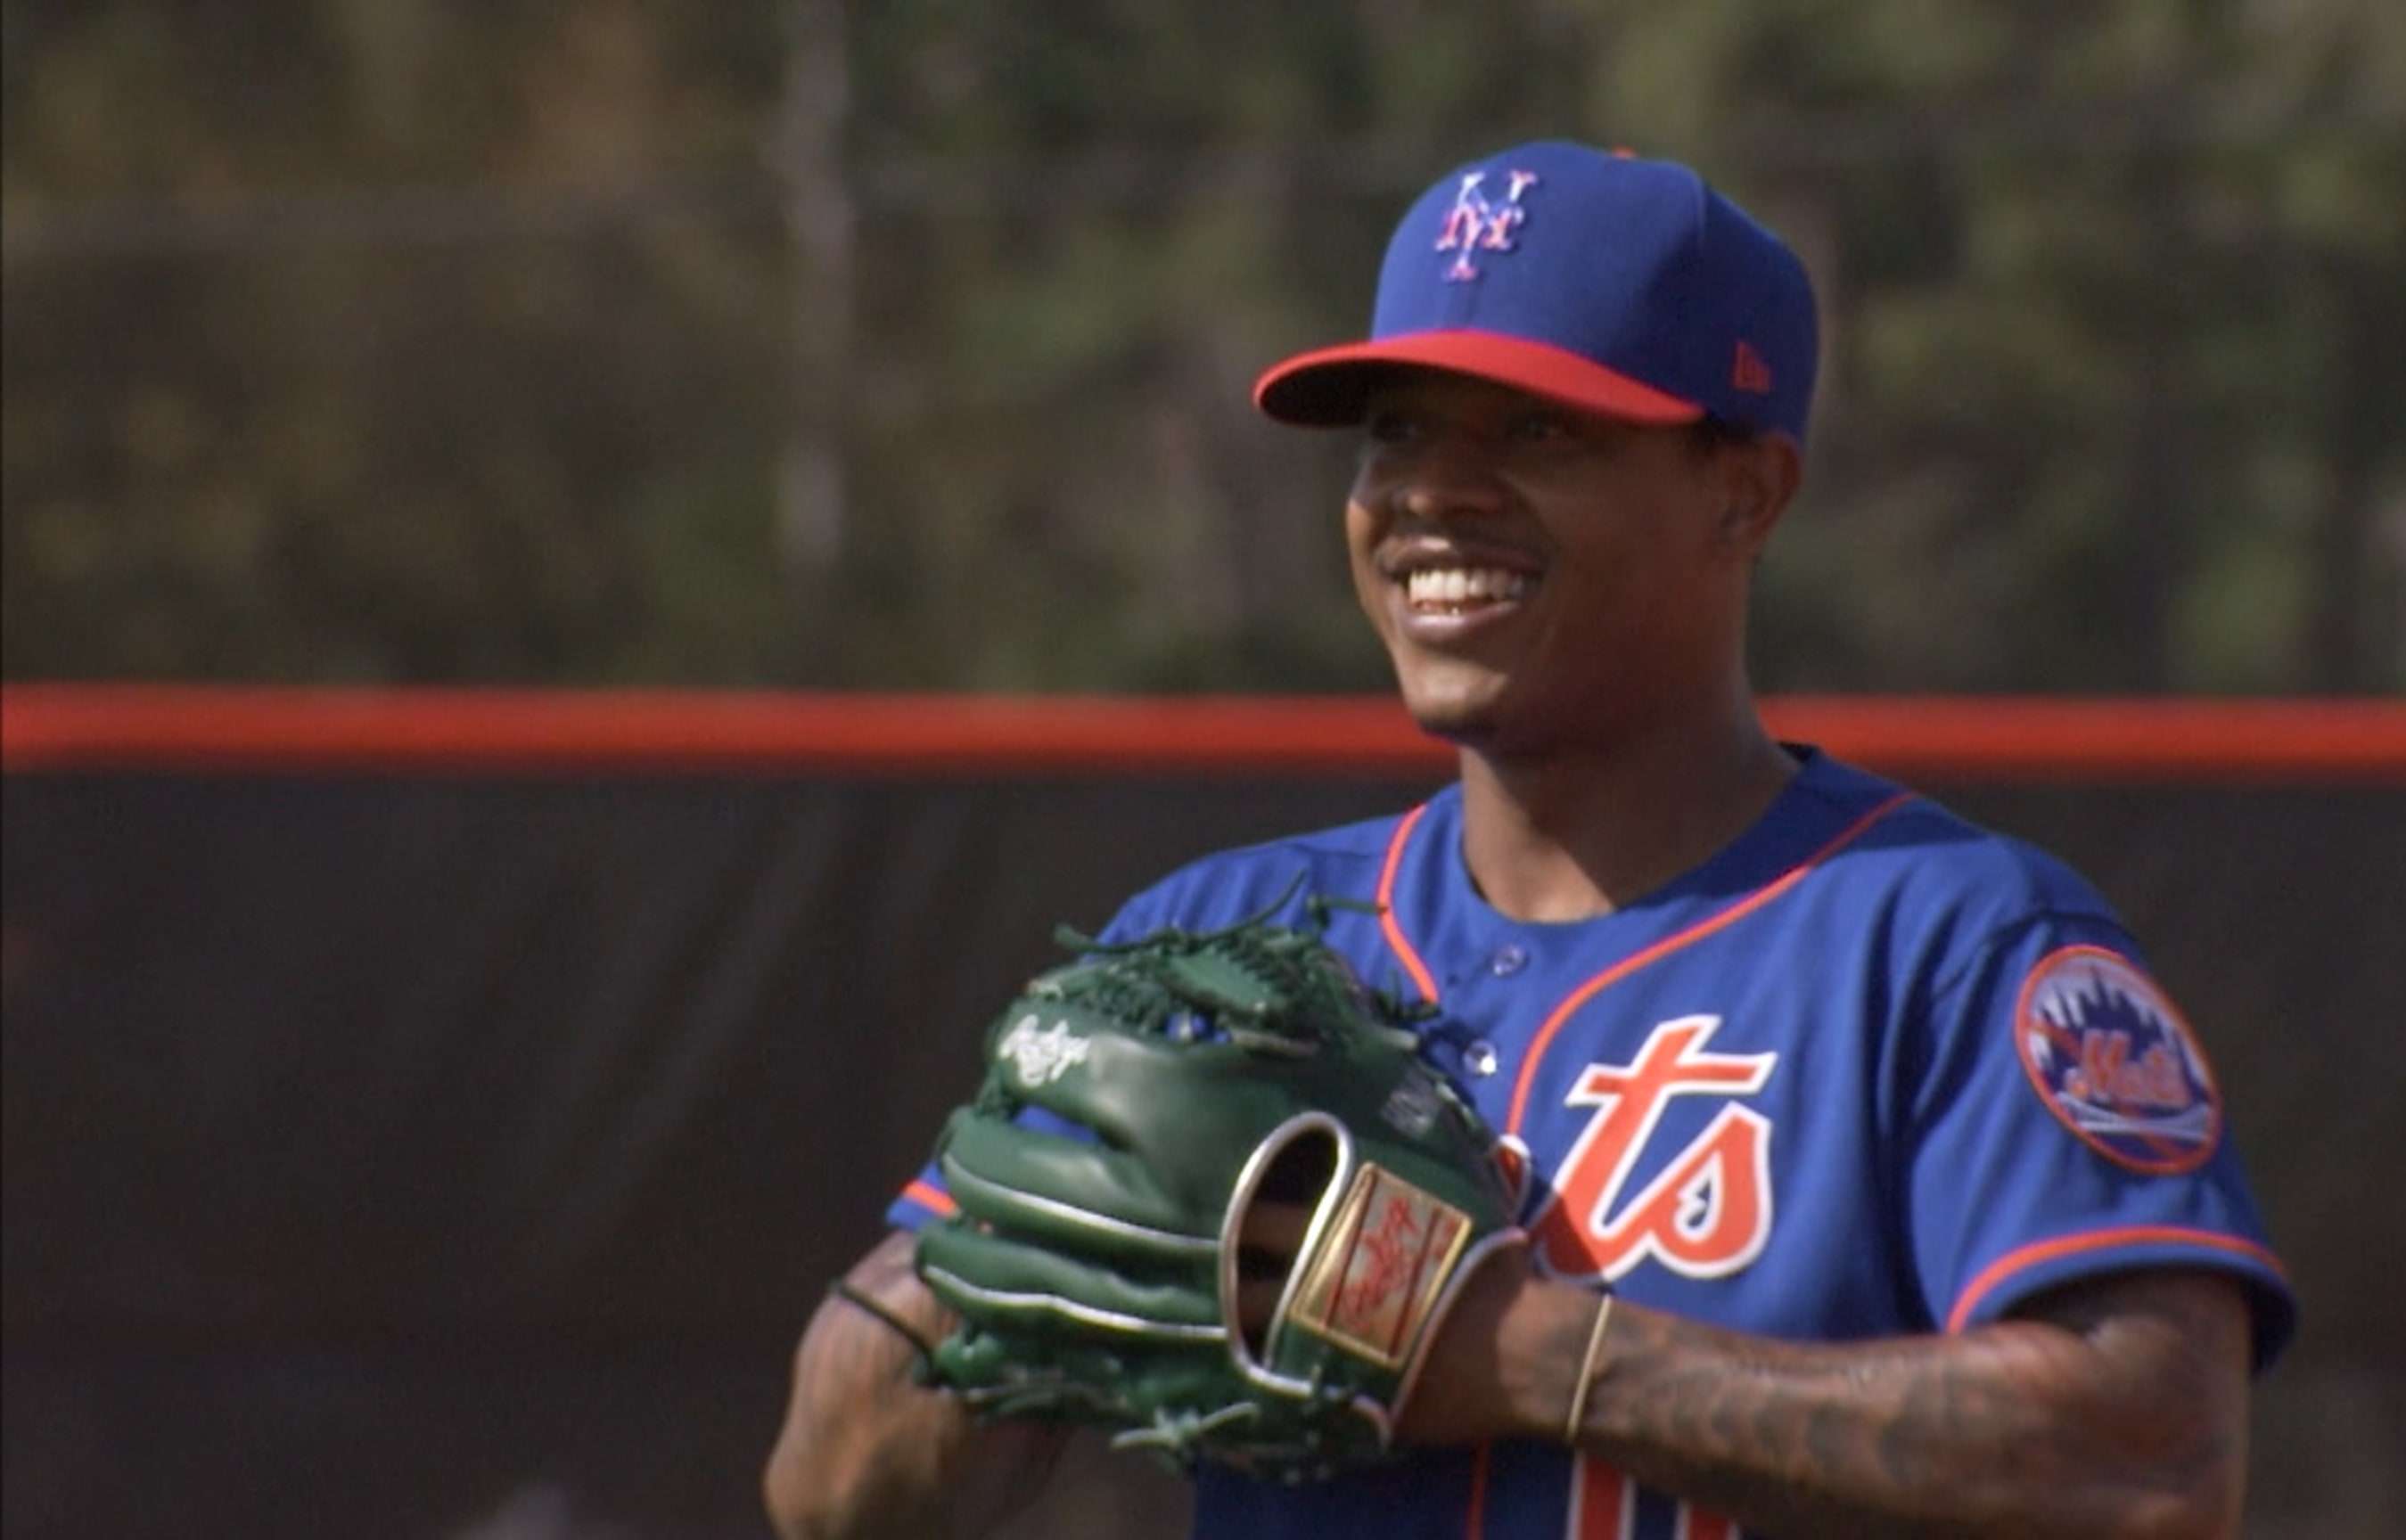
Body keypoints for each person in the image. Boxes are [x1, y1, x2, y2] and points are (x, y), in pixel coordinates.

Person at [763, 138, 2295, 1540]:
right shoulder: (1218, 950)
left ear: (1745, 492)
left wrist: (1526, 1353)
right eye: (1401, 428)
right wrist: (985, 1295)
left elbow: (2154, 1459)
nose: (1431, 489)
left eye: (1538, 429)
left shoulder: (1946, 944)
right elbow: (831, 1496)